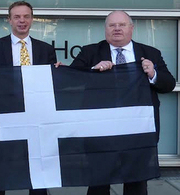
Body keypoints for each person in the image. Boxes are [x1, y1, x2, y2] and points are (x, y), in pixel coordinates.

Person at [69, 10, 175, 195]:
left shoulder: (150, 53)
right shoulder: (90, 52)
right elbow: (70, 80)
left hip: (138, 128)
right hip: (101, 128)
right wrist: (93, 71)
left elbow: (168, 84)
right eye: (112, 25)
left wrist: (153, 74)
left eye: (122, 25)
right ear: (105, 29)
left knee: (137, 182)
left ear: (131, 28)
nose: (117, 29)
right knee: (99, 182)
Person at [0, 1, 57, 195]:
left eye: (26, 16)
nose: (22, 21)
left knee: (38, 167)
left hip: (36, 115)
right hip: (3, 116)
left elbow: (51, 82)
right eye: (17, 17)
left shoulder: (46, 49)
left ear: (32, 19)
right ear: (9, 20)